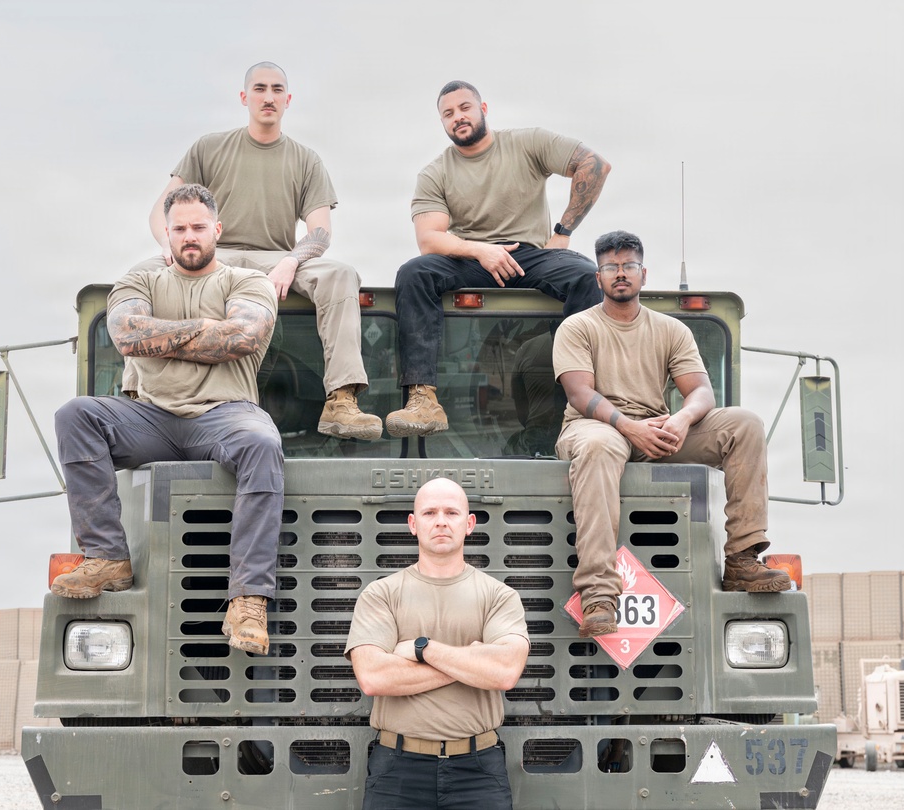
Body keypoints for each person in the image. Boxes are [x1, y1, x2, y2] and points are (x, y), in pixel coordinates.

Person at [50, 184, 283, 656]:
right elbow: (126, 336)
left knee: (262, 443)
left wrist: (161, 336)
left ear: (217, 229)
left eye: (199, 227)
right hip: (149, 418)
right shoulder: (140, 281)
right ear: (167, 234)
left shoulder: (248, 282)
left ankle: (248, 598)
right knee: (75, 414)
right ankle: (107, 557)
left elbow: (242, 337)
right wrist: (206, 329)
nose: (189, 236)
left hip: (224, 414)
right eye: (180, 228)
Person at [552, 230, 792, 638]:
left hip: (657, 429)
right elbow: (580, 392)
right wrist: (628, 426)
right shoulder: (578, 327)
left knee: (744, 424)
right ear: (598, 278)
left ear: (643, 274)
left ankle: (741, 560)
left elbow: (701, 391)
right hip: (596, 427)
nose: (620, 273)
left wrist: (681, 420)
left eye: (629, 265)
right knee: (597, 446)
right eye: (611, 267)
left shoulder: (670, 330)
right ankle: (598, 594)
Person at [132, 61, 381, 441]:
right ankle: (136, 395)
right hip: (217, 254)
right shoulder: (209, 148)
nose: (268, 97)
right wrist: (169, 246)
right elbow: (160, 211)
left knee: (341, 274)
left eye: (277, 89)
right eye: (260, 88)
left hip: (276, 257)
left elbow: (320, 230)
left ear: (288, 100)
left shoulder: (306, 159)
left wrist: (291, 260)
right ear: (244, 97)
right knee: (144, 274)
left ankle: (341, 400)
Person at [387, 79, 611, 438]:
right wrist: (480, 249)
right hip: (471, 258)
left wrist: (563, 232)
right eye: (448, 114)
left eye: (465, 108)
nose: (458, 117)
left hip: (532, 255)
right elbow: (429, 239)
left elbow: (594, 164)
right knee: (415, 272)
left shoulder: (528, 142)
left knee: (587, 275)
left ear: (483, 109)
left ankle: (580, 399)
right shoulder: (435, 173)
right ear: (442, 122)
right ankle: (422, 400)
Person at [345, 477, 529, 809]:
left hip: (478, 770)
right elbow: (373, 678)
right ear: (413, 524)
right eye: (429, 513)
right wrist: (472, 663)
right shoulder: (381, 594)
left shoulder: (499, 596)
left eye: (451, 513)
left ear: (469, 524)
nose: (441, 521)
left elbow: (504, 672)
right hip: (397, 770)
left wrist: (422, 649)